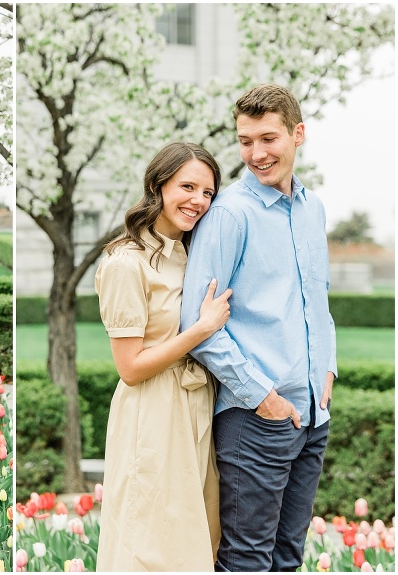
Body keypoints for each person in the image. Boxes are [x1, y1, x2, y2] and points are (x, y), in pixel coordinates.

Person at [180, 84, 337, 572]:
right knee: (247, 559)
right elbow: (198, 323)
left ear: (298, 134)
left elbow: (319, 300)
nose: (256, 153)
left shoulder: (313, 209)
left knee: (288, 557)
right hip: (256, 419)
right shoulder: (229, 214)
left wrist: (327, 372)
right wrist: (262, 396)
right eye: (245, 141)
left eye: (268, 138)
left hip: (313, 414)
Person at [95, 142, 232, 571]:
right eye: (187, 186)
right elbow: (130, 368)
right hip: (152, 414)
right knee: (150, 543)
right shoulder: (125, 263)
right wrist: (201, 330)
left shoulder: (193, 254)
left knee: (198, 539)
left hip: (199, 407)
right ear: (157, 185)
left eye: (208, 192)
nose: (198, 200)